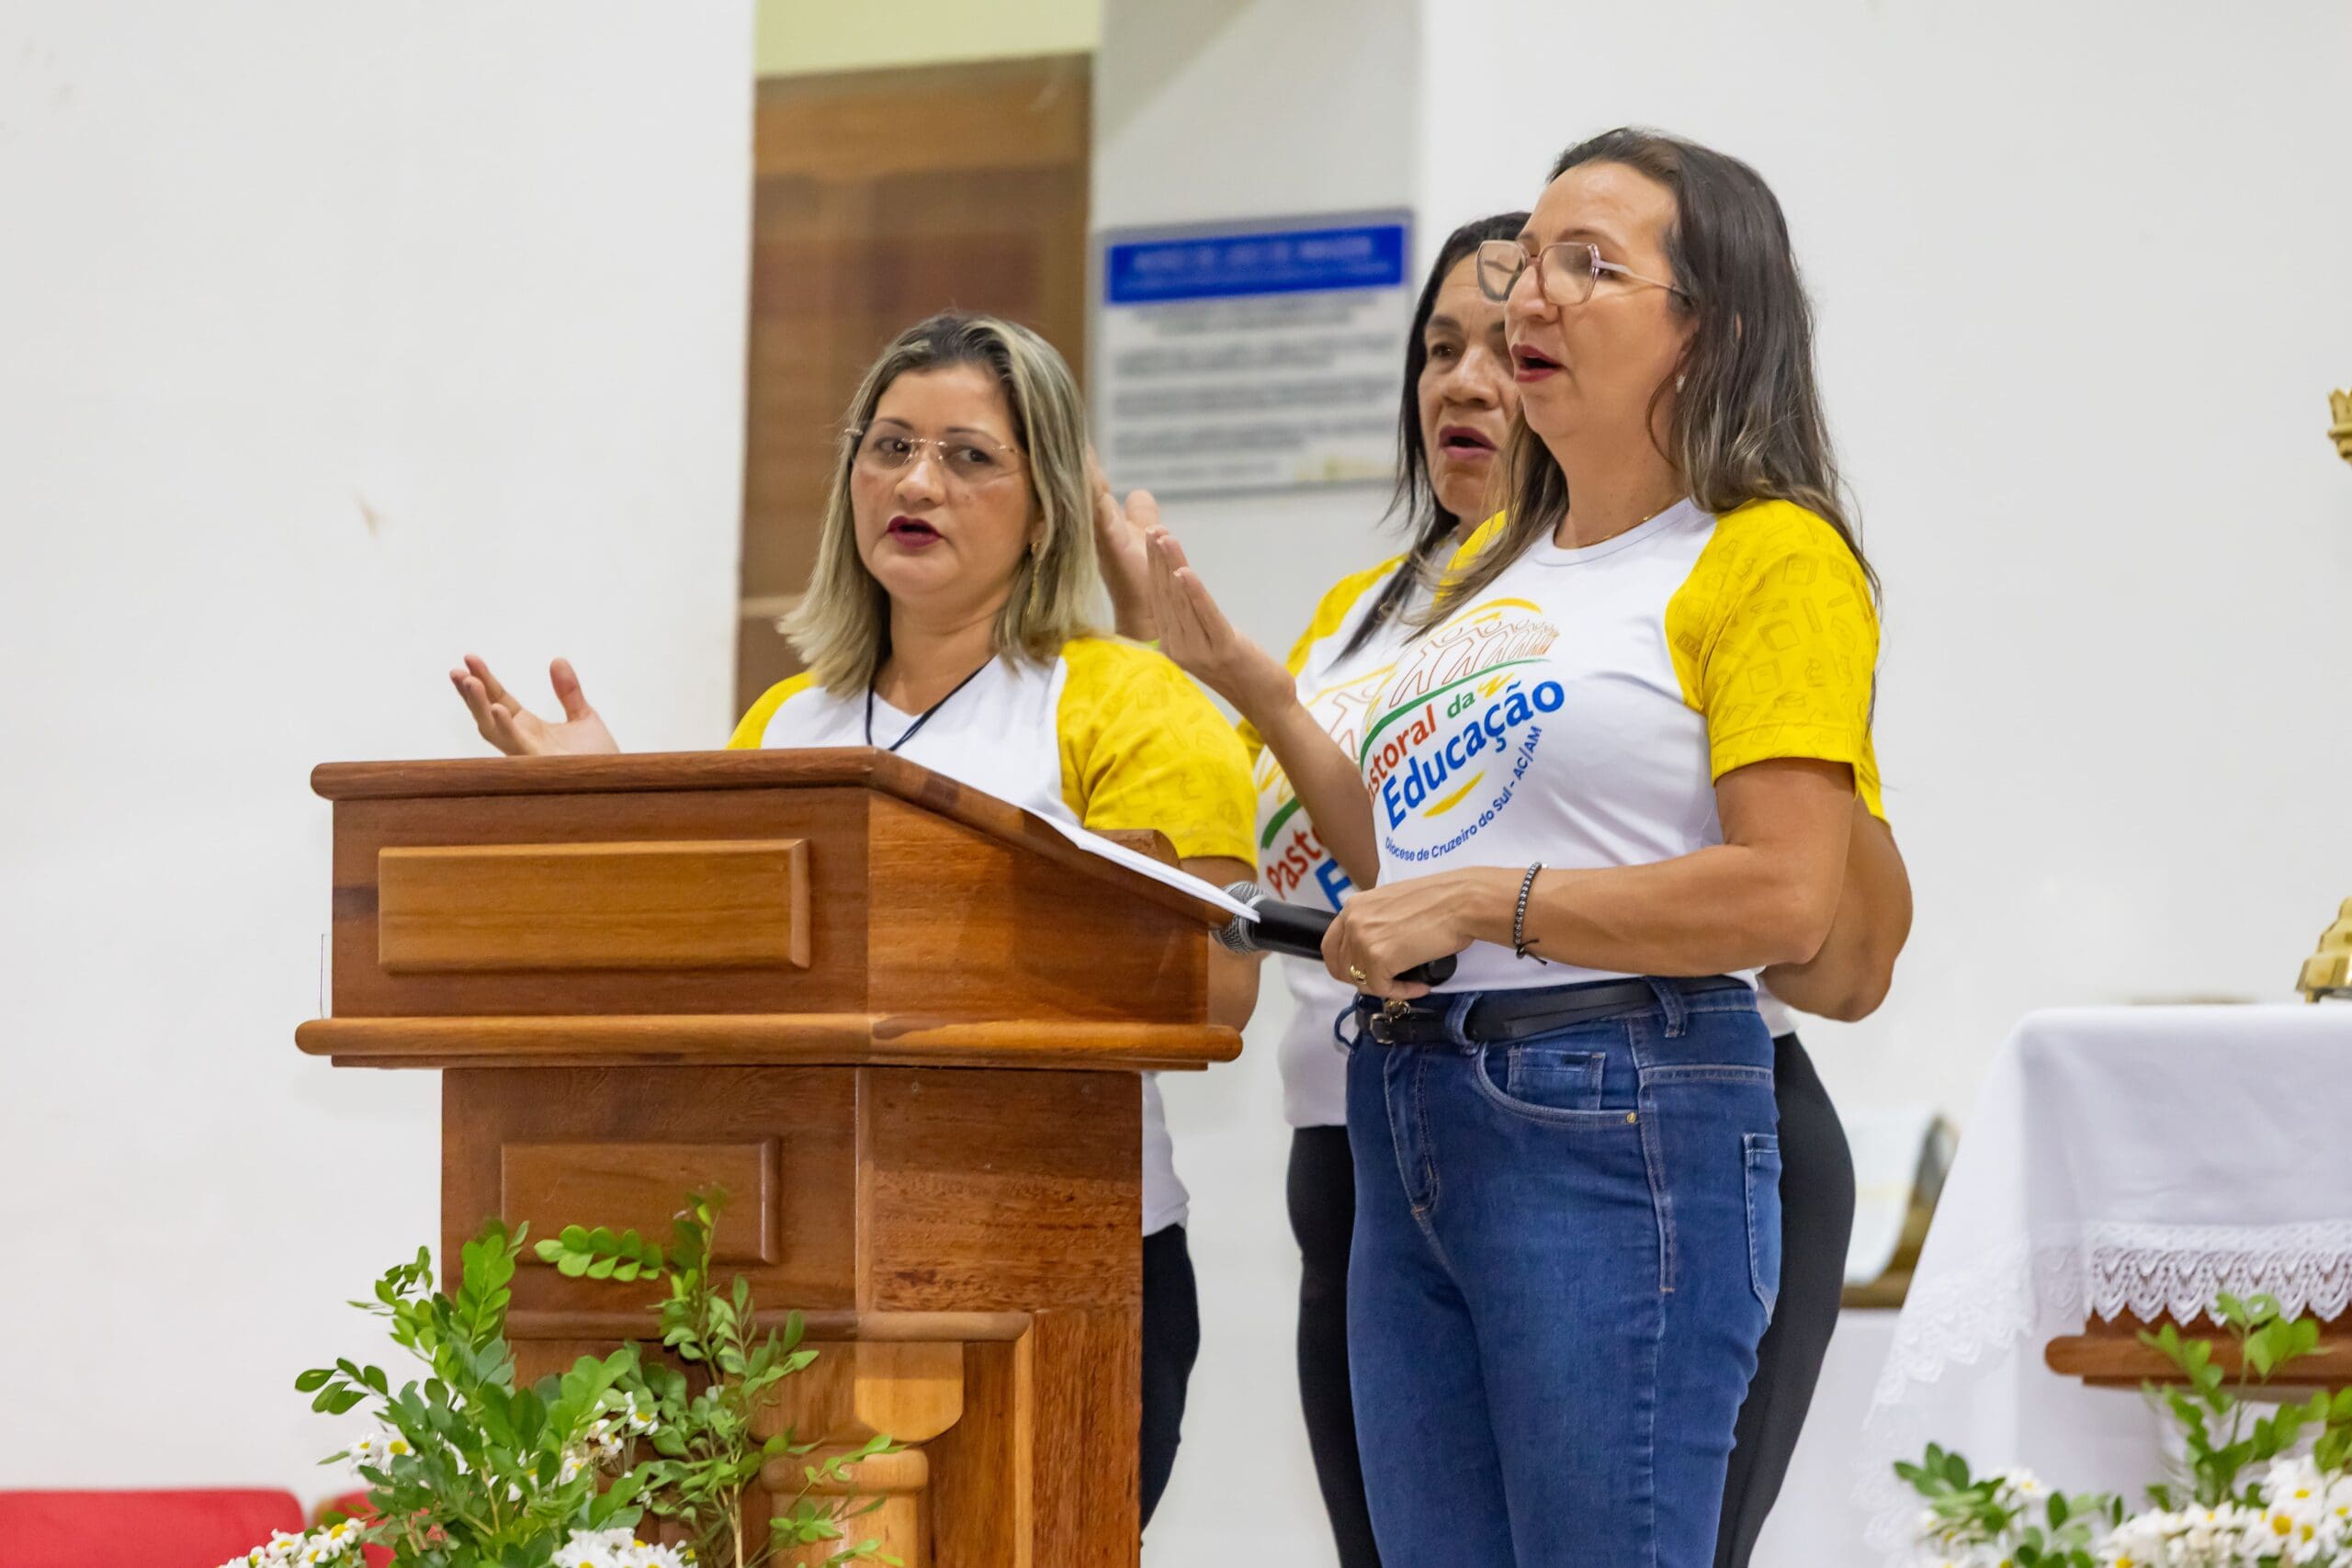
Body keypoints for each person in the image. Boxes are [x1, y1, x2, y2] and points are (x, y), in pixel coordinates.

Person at [1098, 208, 1909, 1562]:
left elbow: (1826, 930)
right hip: (1395, 1104)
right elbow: (1404, 861)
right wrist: (1244, 688)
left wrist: (1491, 902)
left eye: (1534, 317)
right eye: (1443, 347)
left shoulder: (1745, 558)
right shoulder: (1429, 605)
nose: (1478, 373)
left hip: (1634, 1094)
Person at [447, 311, 1259, 1529]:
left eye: (969, 456)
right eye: (890, 447)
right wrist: (621, 808)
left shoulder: (1128, 701)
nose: (917, 483)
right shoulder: (788, 723)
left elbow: (1219, 985)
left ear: (1046, 508)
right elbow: (729, 979)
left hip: (1060, 1265)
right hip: (789, 1267)